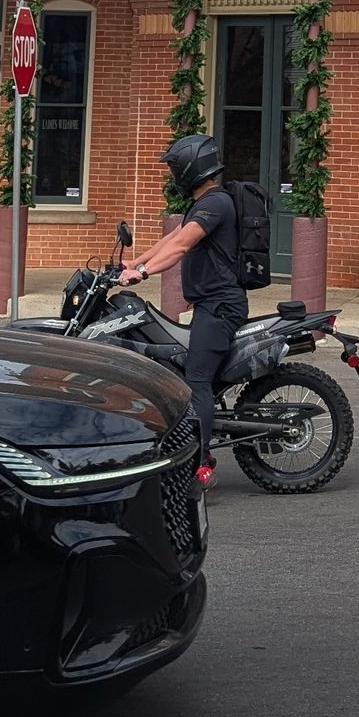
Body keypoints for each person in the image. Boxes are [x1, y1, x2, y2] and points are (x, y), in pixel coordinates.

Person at [119, 132, 246, 484]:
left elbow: (181, 246)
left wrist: (141, 273)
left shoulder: (216, 203)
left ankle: (201, 462)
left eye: (176, 168)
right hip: (210, 304)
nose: (174, 175)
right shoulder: (204, 202)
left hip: (220, 306)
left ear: (192, 167)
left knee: (197, 379)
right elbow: (170, 239)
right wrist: (134, 263)